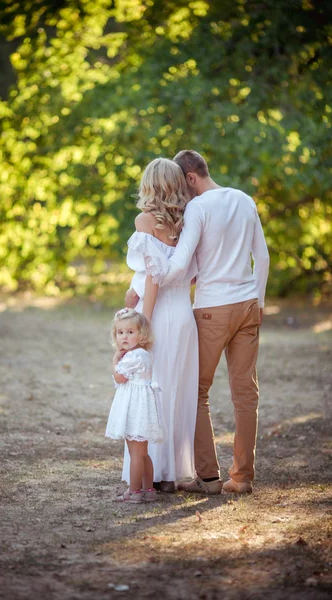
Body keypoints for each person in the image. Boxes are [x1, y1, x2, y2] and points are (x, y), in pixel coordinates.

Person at [127, 150, 269, 494]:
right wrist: (259, 303)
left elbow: (179, 263)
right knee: (246, 394)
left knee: (197, 392)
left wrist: (150, 278)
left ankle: (208, 477)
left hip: (211, 310)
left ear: (190, 178)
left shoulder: (198, 208)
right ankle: (242, 478)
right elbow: (261, 257)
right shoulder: (244, 199)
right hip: (249, 304)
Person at [121, 157, 199, 493]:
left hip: (160, 311)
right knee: (176, 390)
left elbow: (153, 275)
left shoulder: (146, 219)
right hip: (184, 311)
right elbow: (188, 272)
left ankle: (148, 476)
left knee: (150, 391)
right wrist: (133, 285)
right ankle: (169, 473)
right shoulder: (188, 220)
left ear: (150, 183)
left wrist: (144, 323)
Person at [105, 308, 163, 503]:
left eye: (130, 332)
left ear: (142, 334)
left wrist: (115, 360)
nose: (124, 337)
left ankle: (134, 491)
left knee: (135, 453)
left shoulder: (132, 357)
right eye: (120, 332)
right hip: (141, 406)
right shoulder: (143, 354)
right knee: (143, 452)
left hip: (135, 408)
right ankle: (149, 489)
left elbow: (119, 377)